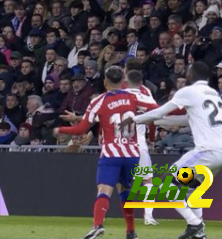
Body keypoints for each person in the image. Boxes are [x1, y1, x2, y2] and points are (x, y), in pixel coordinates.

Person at [121, 62, 222, 239]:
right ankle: (200, 234)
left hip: (208, 152)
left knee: (170, 184)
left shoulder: (188, 92)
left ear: (191, 74)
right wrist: (154, 122)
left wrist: (134, 120)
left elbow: (159, 112)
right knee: (190, 190)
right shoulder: (213, 94)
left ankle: (195, 224)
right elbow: (186, 119)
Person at [53, 66, 158, 239]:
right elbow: (156, 109)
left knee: (104, 189)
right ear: (123, 81)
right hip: (133, 154)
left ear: (104, 82)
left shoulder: (99, 101)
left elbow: (82, 128)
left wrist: (60, 130)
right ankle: (131, 231)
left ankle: (97, 225)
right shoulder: (135, 96)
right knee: (125, 190)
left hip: (111, 154)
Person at [124, 69, 159, 226]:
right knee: (147, 180)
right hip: (139, 144)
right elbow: (152, 118)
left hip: (119, 143)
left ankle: (100, 218)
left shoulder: (118, 93)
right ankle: (148, 216)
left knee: (113, 181)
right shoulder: (145, 94)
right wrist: (151, 138)